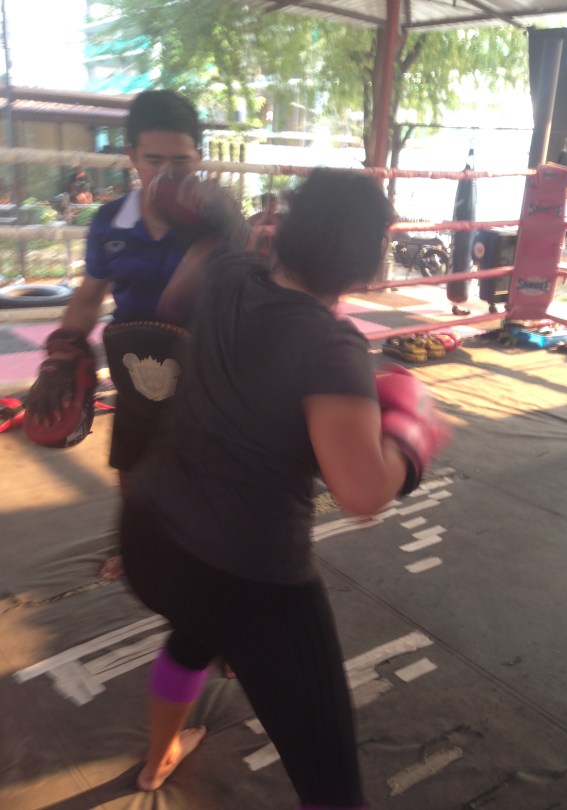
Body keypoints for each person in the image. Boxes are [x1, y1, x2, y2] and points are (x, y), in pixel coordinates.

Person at [119, 168, 450, 802]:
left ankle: (156, 761)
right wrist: (410, 437)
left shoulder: (227, 275)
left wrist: (220, 223)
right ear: (369, 260)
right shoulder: (329, 345)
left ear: (288, 229)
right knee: (333, 790)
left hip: (151, 538)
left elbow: (172, 301)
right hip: (248, 576)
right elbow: (361, 492)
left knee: (195, 630)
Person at [26, 89, 245, 580]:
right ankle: (141, 544)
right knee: (132, 462)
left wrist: (226, 237)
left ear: (199, 157)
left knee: (212, 469)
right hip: (137, 367)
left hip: (208, 368)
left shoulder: (219, 217)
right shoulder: (111, 223)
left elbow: (251, 296)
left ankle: (218, 564)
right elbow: (89, 296)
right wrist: (62, 352)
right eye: (154, 159)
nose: (168, 172)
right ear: (131, 156)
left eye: (181, 160)